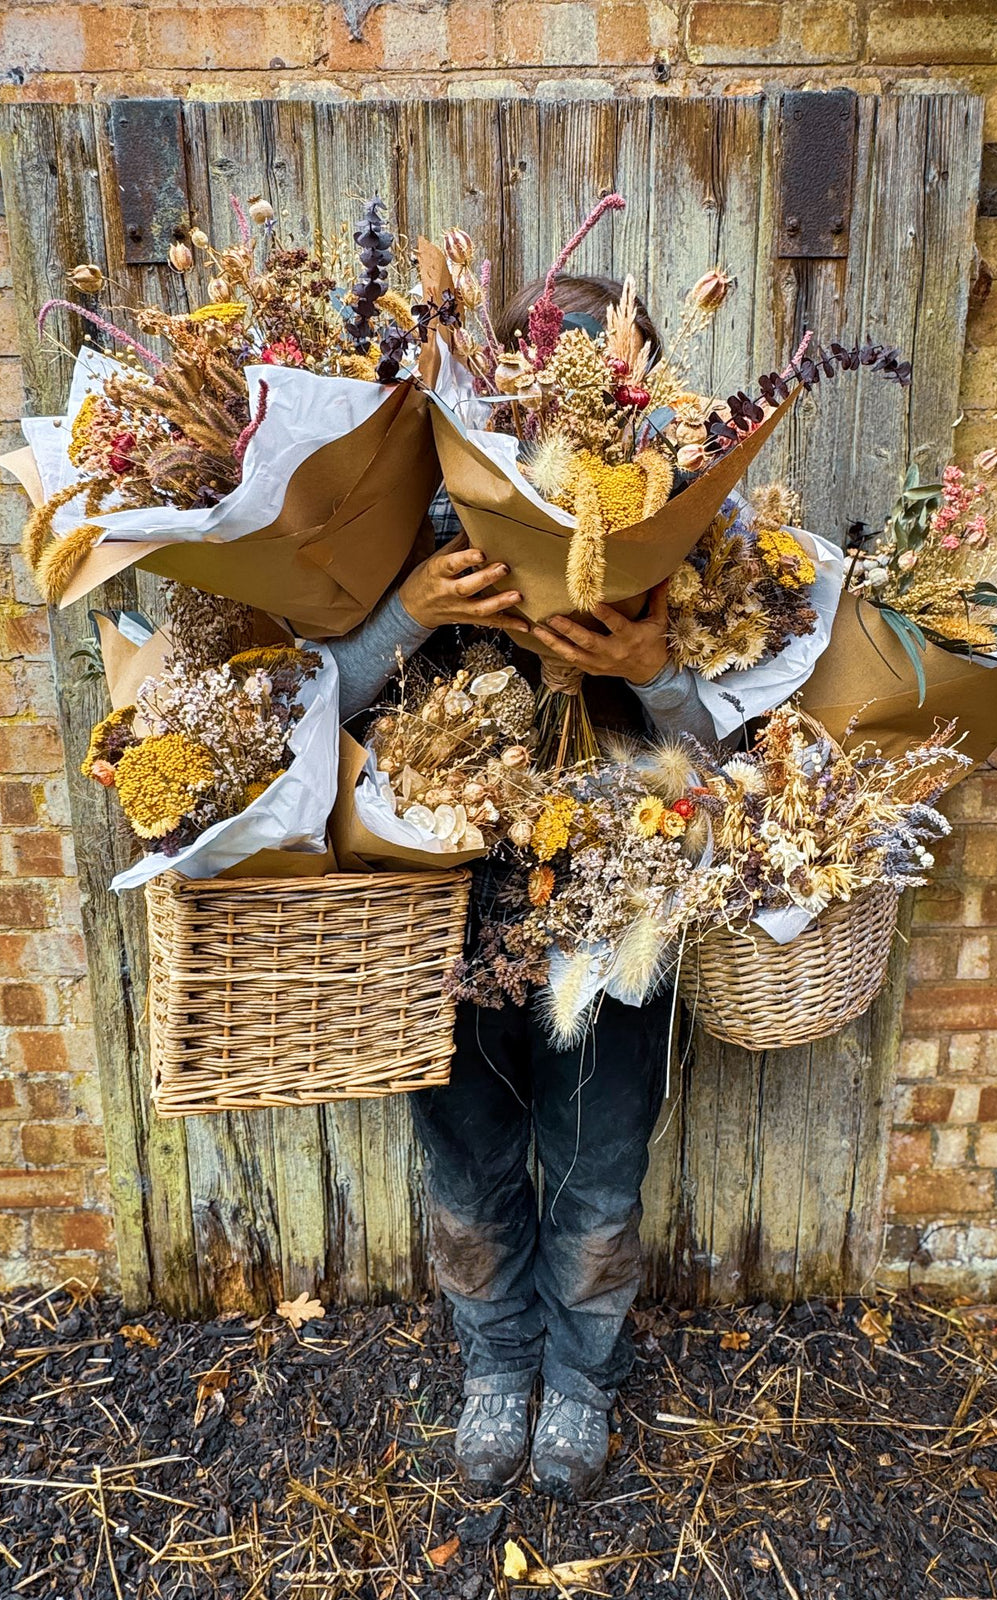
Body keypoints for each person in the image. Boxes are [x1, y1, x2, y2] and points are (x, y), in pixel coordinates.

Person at [330, 276, 718, 1502]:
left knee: (601, 1164)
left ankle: (584, 1377)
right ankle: (497, 1365)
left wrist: (652, 669)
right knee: (464, 1162)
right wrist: (406, 614)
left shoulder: (689, 544)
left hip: (613, 908)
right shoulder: (415, 521)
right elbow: (298, 723)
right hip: (441, 906)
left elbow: (727, 764)